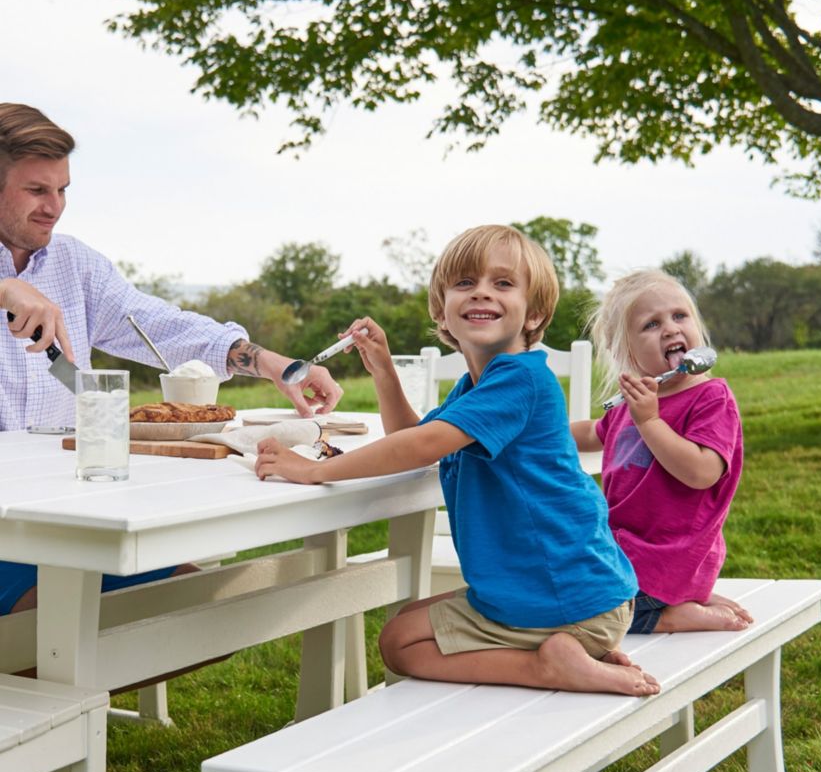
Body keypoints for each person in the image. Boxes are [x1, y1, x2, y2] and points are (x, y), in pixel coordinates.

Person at [256, 224, 659, 696]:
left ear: (534, 315)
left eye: (503, 283)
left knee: (398, 644)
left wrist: (314, 469)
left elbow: (420, 447)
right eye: (465, 283)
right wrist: (385, 369)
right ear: (442, 312)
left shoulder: (518, 381)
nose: (481, 292)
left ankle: (550, 665)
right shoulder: (479, 387)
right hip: (562, 589)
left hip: (562, 592)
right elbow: (413, 436)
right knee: (409, 617)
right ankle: (573, 650)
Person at [0, 102, 343, 616]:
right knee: (72, 627)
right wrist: (5, 287)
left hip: (69, 515)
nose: (54, 206)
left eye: (62, 189)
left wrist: (270, 361)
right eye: (36, 190)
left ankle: (69, 689)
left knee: (203, 609)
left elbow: (157, 324)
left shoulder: (75, 264)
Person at [570, 269, 751, 634]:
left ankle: (668, 615)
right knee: (554, 583)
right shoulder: (635, 403)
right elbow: (593, 431)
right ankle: (675, 601)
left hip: (671, 554)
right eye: (651, 324)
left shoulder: (711, 398)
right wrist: (538, 434)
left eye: (679, 316)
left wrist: (650, 421)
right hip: (625, 550)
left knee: (583, 613)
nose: (670, 328)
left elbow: (702, 473)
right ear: (625, 351)